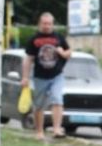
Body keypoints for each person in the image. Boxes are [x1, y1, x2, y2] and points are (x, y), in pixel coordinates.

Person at [26, 11, 72, 139]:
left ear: (53, 25)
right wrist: (24, 77)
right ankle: (39, 131)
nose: (47, 26)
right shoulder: (34, 40)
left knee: (57, 99)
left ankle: (57, 129)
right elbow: (28, 59)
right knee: (39, 105)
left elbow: (69, 53)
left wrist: (62, 53)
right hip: (40, 77)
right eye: (44, 23)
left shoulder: (59, 38)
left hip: (56, 75)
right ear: (40, 24)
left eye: (49, 24)